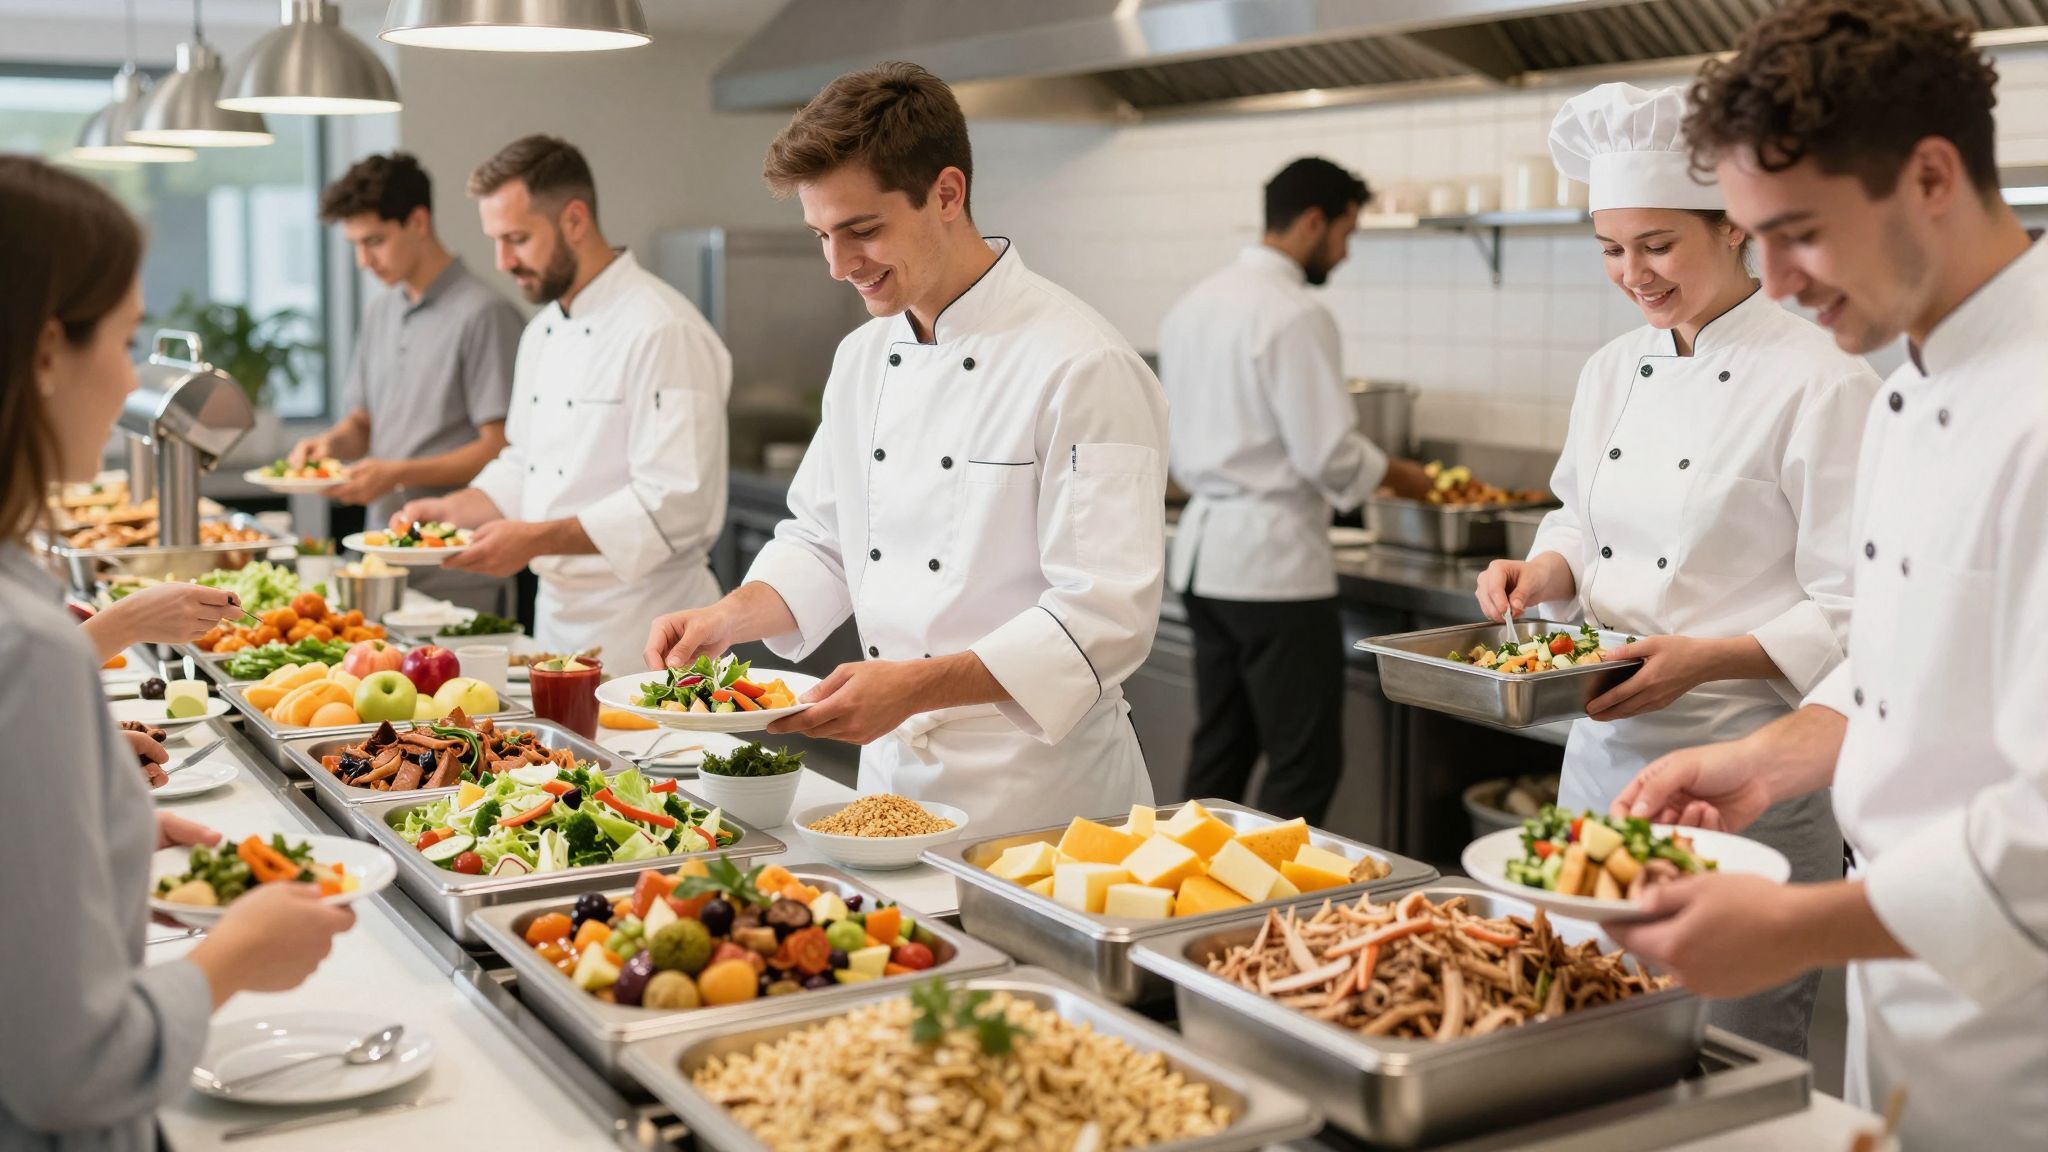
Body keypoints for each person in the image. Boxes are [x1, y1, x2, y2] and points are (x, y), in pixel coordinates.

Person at [1600, 2, 2048, 1142]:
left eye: (1799, 232)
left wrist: (1795, 927)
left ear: (1931, 176)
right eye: (1758, 239)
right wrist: (1766, 760)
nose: (1780, 283)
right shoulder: (1911, 383)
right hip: (1917, 1003)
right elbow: (1901, 662)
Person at [644, 63, 1168, 833]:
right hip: (890, 784)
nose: (837, 265)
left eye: (862, 231)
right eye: (821, 236)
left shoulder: (1082, 364)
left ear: (947, 194)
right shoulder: (862, 357)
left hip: (1044, 800)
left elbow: (1104, 617)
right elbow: (824, 540)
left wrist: (913, 688)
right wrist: (728, 617)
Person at [1474, 82, 1882, 1056]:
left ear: (1733, 225)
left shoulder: (1824, 378)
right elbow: (1579, 515)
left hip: (1744, 770)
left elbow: (1859, 606)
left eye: (1656, 244)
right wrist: (1543, 571)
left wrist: (1704, 660)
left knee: (1721, 1049)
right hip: (1599, 760)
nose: (1632, 274)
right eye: (1610, 249)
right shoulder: (1612, 368)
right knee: (1577, 1024)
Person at [0, 155, 353, 1149]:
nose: (131, 384)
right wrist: (236, 955)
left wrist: (104, 836)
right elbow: (72, 1069)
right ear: (45, 352)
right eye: (123, 341)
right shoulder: (30, 647)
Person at [1159, 157, 1432, 824]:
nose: (1345, 252)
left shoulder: (1194, 304)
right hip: (1273, 569)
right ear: (1313, 221)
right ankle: (1270, 887)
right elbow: (1329, 455)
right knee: (1303, 763)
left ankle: (1181, 878)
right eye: (1346, 233)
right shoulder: (1296, 313)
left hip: (1202, 558)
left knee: (1222, 750)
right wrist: (1405, 477)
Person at [393, 135, 731, 665]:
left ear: (575, 219)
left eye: (518, 239)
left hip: (651, 627)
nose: (502, 261)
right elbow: (525, 463)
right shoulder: (542, 331)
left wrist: (533, 540)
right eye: (496, 241)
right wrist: (453, 510)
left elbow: (674, 503)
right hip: (555, 621)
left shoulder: (663, 329)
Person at [292, 152, 524, 610]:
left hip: (461, 570)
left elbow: (500, 448)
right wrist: (330, 446)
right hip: (382, 562)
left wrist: (397, 473)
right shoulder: (380, 310)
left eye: (374, 241)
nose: (363, 260)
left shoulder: (485, 314)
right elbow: (363, 423)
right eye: (355, 245)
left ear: (418, 222)